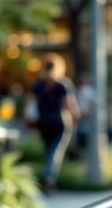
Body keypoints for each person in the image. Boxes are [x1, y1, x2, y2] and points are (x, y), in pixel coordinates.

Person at [28, 55, 80, 192]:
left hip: (43, 122)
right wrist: (76, 117)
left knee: (49, 151)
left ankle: (48, 177)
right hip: (59, 122)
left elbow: (30, 105)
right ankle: (49, 178)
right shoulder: (62, 84)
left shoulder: (38, 85)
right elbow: (69, 105)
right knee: (55, 151)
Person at [75, 73, 96, 151]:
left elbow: (92, 102)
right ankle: (81, 146)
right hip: (80, 113)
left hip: (85, 113)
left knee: (84, 130)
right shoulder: (78, 90)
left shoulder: (88, 90)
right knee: (81, 130)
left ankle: (83, 146)